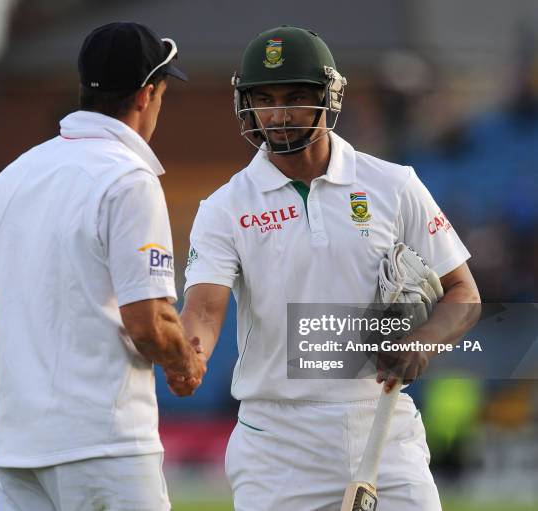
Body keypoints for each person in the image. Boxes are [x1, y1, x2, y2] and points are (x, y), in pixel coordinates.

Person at [181, 26, 481, 510]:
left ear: (329, 96)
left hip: (383, 426)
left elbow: (463, 294)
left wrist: (420, 345)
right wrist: (189, 356)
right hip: (277, 442)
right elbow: (204, 310)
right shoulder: (224, 207)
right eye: (264, 99)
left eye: (296, 97)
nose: (278, 114)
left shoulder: (394, 184)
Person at [0, 22, 205, 511]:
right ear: (145, 95)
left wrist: (4, 369)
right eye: (161, 94)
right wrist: (185, 363)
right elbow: (149, 324)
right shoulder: (130, 178)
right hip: (105, 450)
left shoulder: (15, 175)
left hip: (18, 452)